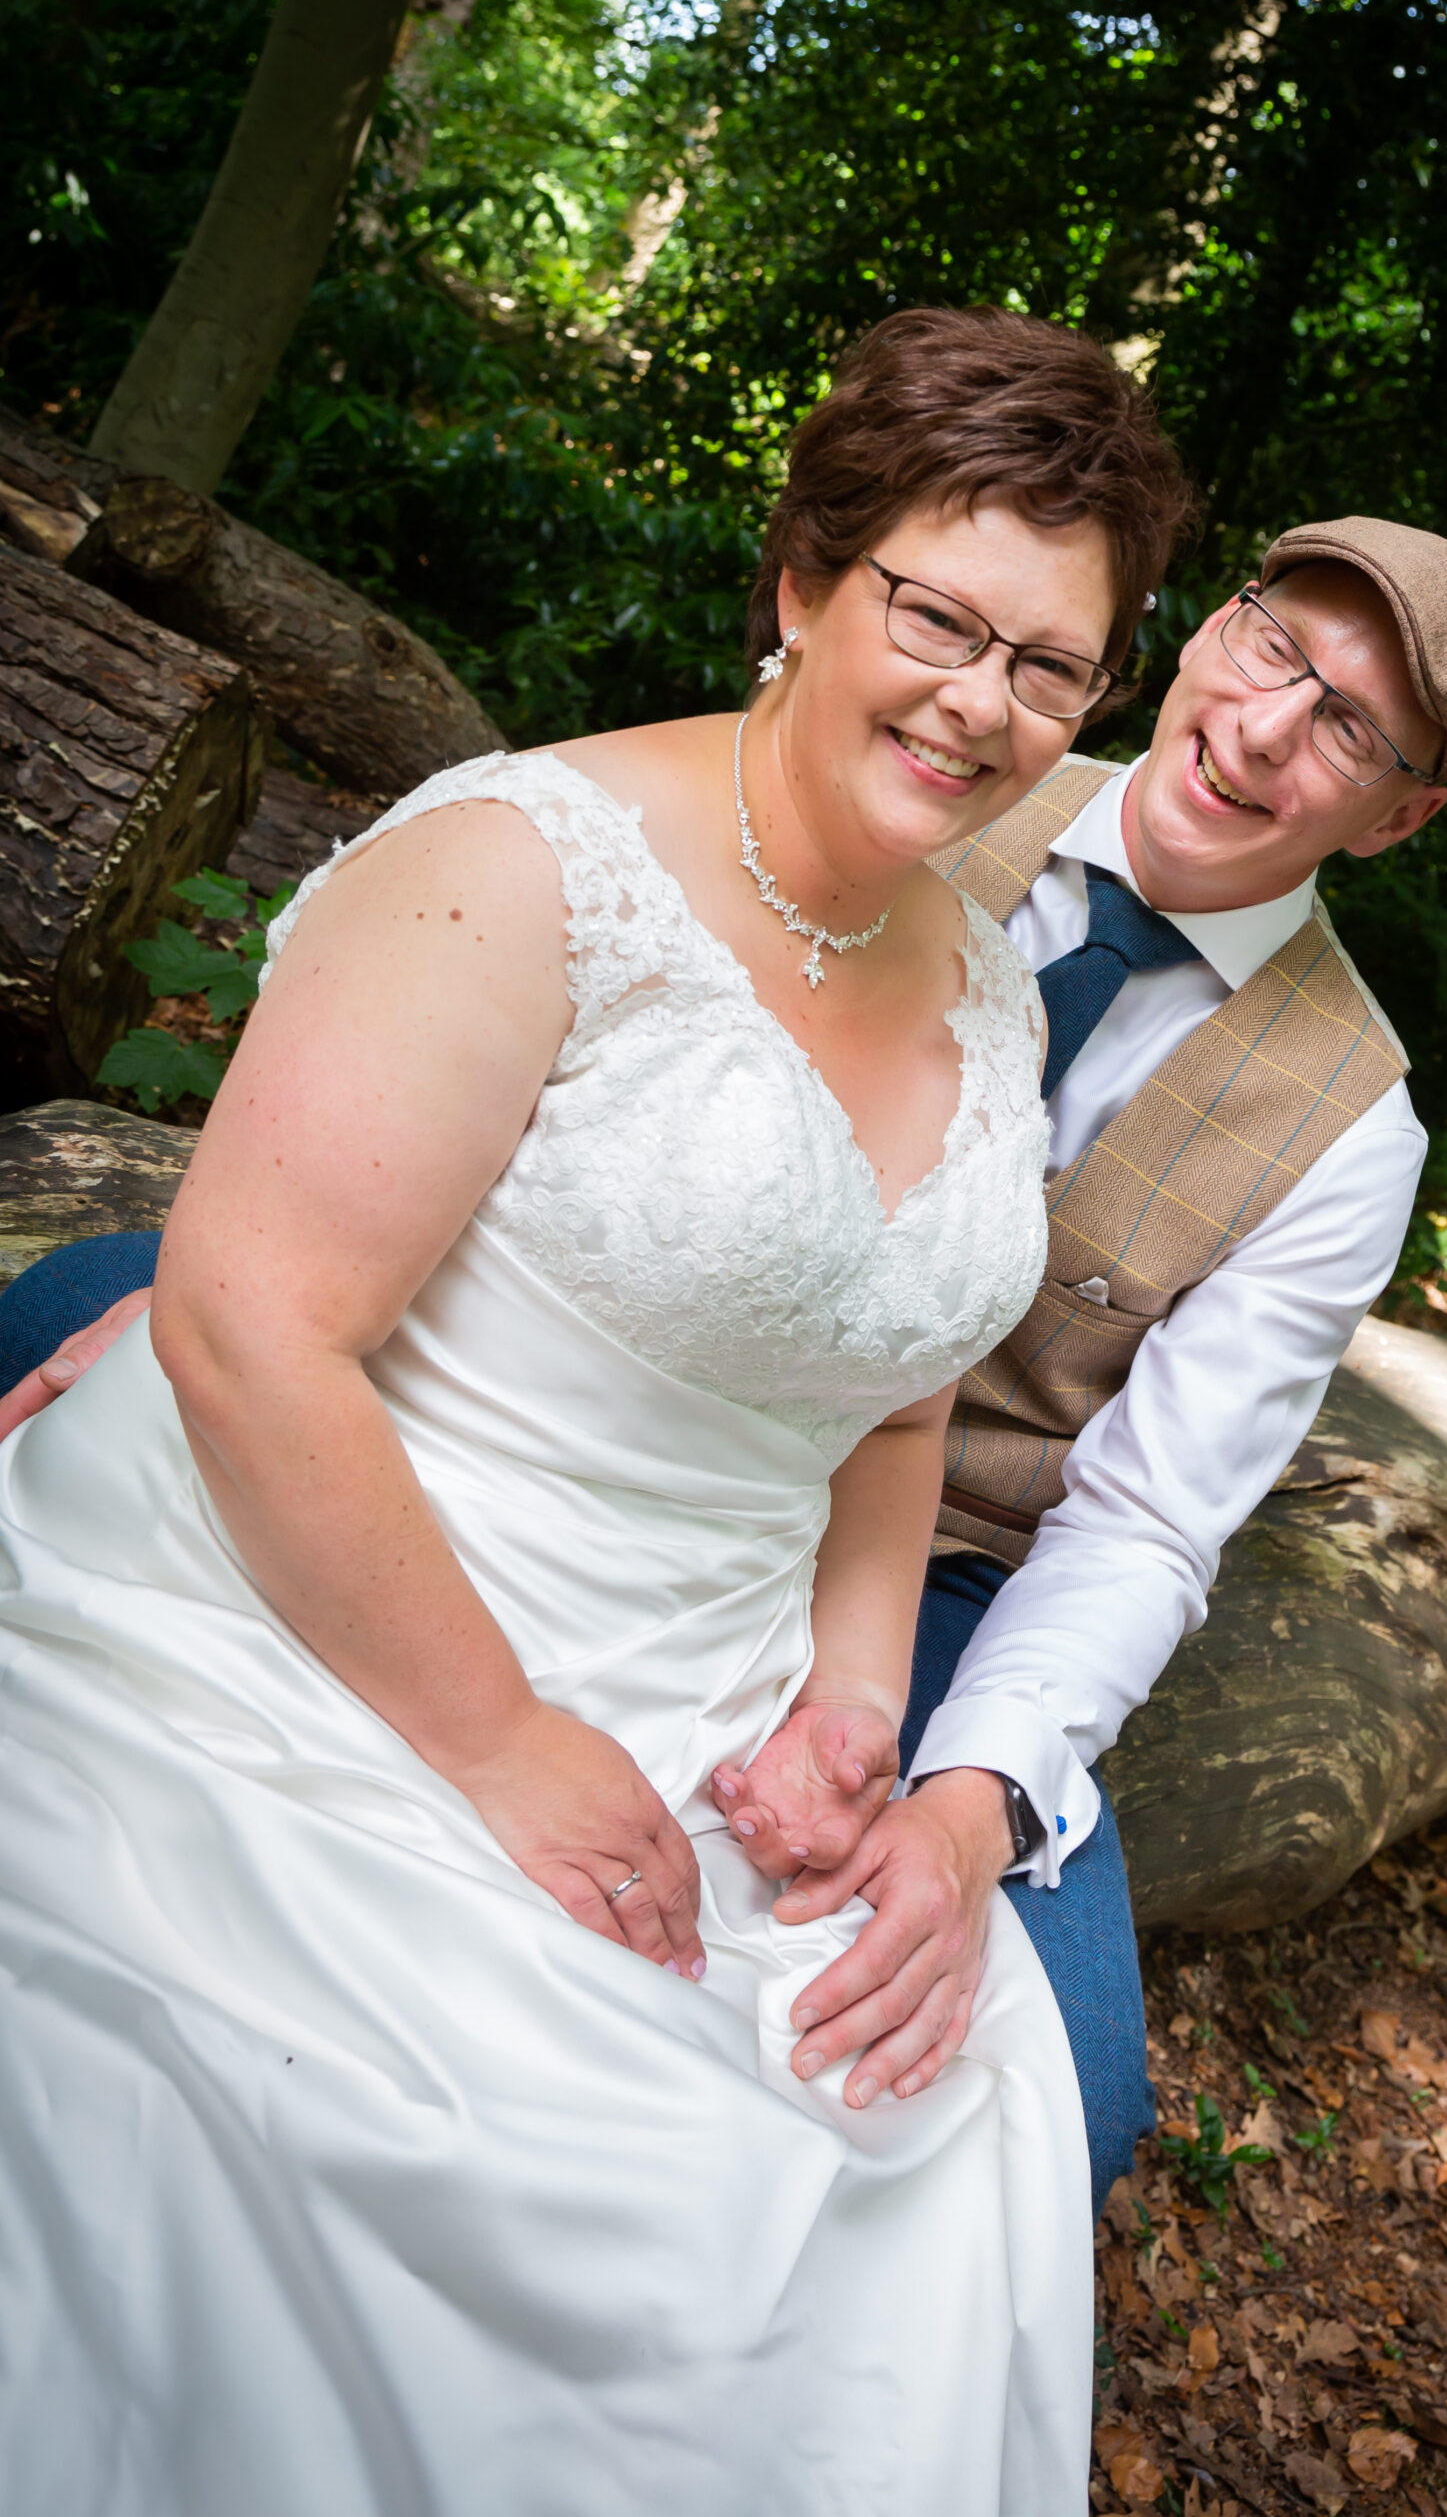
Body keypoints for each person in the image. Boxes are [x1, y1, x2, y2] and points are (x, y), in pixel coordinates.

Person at [0, 305, 1191, 2517]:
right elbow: (253, 1325)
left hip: (715, 1687)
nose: (984, 702)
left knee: (907, 2147)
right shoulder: (520, 863)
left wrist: (854, 1702)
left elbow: (895, 1400)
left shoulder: (987, 978)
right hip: (335, 1617)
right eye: (939, 617)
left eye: (1051, 665)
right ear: (803, 579)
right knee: (430, 2167)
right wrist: (500, 1745)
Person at [0, 518, 1447, 2226]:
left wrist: (965, 1801)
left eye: (1351, 730)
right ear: (1199, 637)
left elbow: (1149, 1527)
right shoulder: (921, 747)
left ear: (1399, 817)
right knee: (91, 1315)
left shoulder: (1351, 1133)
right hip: (567, 1356)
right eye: (1274, 650)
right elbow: (515, 997)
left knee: (1061, 2100)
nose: (1265, 729)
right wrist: (240, 1282)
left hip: (937, 1552)